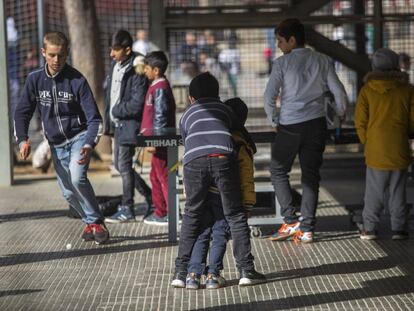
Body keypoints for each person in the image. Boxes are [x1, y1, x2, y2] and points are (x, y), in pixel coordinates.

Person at [14, 31, 109, 244]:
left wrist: (88, 143)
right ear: (43, 53)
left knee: (77, 178)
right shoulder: (35, 80)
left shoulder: (77, 80)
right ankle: (90, 221)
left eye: (62, 55)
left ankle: (96, 221)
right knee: (67, 193)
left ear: (67, 54)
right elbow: (22, 112)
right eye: (52, 55)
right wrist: (22, 138)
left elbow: (94, 118)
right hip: (56, 144)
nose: (57, 60)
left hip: (78, 138)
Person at [172, 72, 265, 288]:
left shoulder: (187, 115)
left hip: (194, 161)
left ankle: (181, 272)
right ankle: (245, 270)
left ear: (191, 98)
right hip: (224, 156)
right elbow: (235, 130)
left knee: (192, 214)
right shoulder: (224, 109)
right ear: (218, 94)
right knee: (234, 215)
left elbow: (187, 141)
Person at [264, 18, 348, 243]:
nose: (279, 46)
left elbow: (269, 96)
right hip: (316, 125)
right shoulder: (322, 60)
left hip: (290, 125)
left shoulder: (283, 63)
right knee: (311, 177)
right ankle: (308, 228)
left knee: (278, 171)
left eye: (281, 41)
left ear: (292, 40)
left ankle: (290, 221)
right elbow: (338, 91)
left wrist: (274, 119)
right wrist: (341, 112)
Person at [185, 97, 257, 290]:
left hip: (203, 192)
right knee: (220, 233)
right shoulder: (241, 143)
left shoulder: (213, 136)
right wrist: (248, 203)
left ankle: (192, 275)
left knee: (202, 231)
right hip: (226, 195)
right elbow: (246, 176)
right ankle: (213, 275)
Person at [354, 48, 414, 240]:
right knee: (398, 191)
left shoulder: (367, 90)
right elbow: (412, 120)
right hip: (399, 146)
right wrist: (403, 133)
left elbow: (360, 122)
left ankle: (370, 228)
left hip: (376, 148)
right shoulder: (407, 89)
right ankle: (399, 228)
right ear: (396, 64)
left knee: (374, 191)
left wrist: (368, 141)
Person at [103, 30, 153, 223]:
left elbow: (137, 103)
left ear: (127, 49)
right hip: (116, 125)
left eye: (115, 50)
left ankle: (127, 208)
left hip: (128, 125)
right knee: (119, 165)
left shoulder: (136, 69)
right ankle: (149, 196)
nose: (111, 54)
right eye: (111, 49)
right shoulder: (115, 66)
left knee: (123, 165)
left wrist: (116, 110)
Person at [140, 51, 176, 225]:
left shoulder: (160, 87)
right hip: (155, 140)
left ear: (156, 70)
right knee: (155, 176)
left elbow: (160, 115)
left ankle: (171, 213)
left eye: (147, 68)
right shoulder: (155, 85)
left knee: (163, 176)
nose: (144, 71)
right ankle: (160, 211)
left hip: (160, 141)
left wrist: (155, 140)